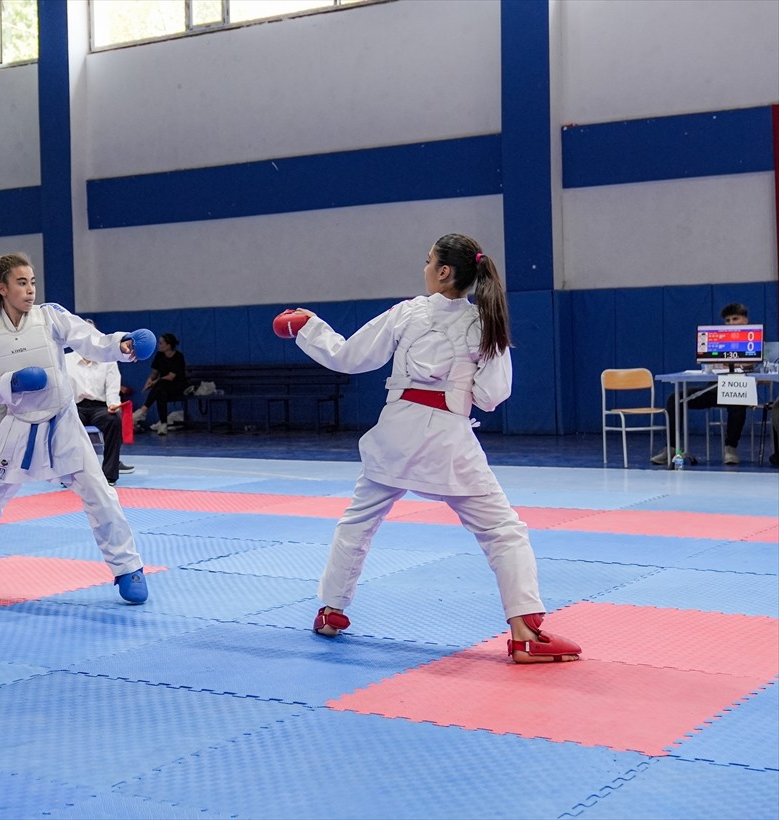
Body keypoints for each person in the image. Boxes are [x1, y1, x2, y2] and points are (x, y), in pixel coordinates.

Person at [275, 233, 581, 664]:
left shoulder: (407, 313)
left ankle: (329, 611)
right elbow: (494, 395)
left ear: (443, 272)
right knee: (503, 532)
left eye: (428, 261)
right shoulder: (483, 324)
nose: (423, 268)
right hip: (448, 441)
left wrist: (310, 327)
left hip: (396, 435)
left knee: (357, 523)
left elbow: (348, 357)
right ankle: (526, 632)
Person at [0, 253, 156, 604]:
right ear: (2, 288)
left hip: (62, 422)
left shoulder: (51, 317)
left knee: (100, 495)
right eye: (22, 283)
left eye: (33, 282)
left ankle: (128, 568)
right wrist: (12, 383)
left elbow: (90, 341)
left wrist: (123, 345)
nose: (30, 290)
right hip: (17, 426)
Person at [651, 302, 751, 466]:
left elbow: (759, 372)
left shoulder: (755, 342)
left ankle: (731, 448)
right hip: (714, 390)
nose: (731, 323)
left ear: (745, 320)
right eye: (728, 320)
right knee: (676, 398)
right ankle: (671, 448)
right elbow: (711, 365)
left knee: (738, 402)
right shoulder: (717, 342)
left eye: (735, 319)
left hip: (740, 391)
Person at [66, 319, 131, 485]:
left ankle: (109, 474)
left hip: (100, 407)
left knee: (114, 420)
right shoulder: (65, 360)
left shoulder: (108, 359)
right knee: (64, 422)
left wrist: (113, 405)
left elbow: (112, 387)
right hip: (75, 407)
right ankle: (69, 472)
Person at [132, 333, 187, 435]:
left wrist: (154, 383)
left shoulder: (179, 357)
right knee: (161, 393)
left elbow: (171, 376)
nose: (159, 345)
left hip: (177, 386)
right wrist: (150, 379)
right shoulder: (159, 355)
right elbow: (155, 372)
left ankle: (144, 410)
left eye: (161, 343)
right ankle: (163, 425)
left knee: (161, 384)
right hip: (163, 387)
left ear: (169, 345)